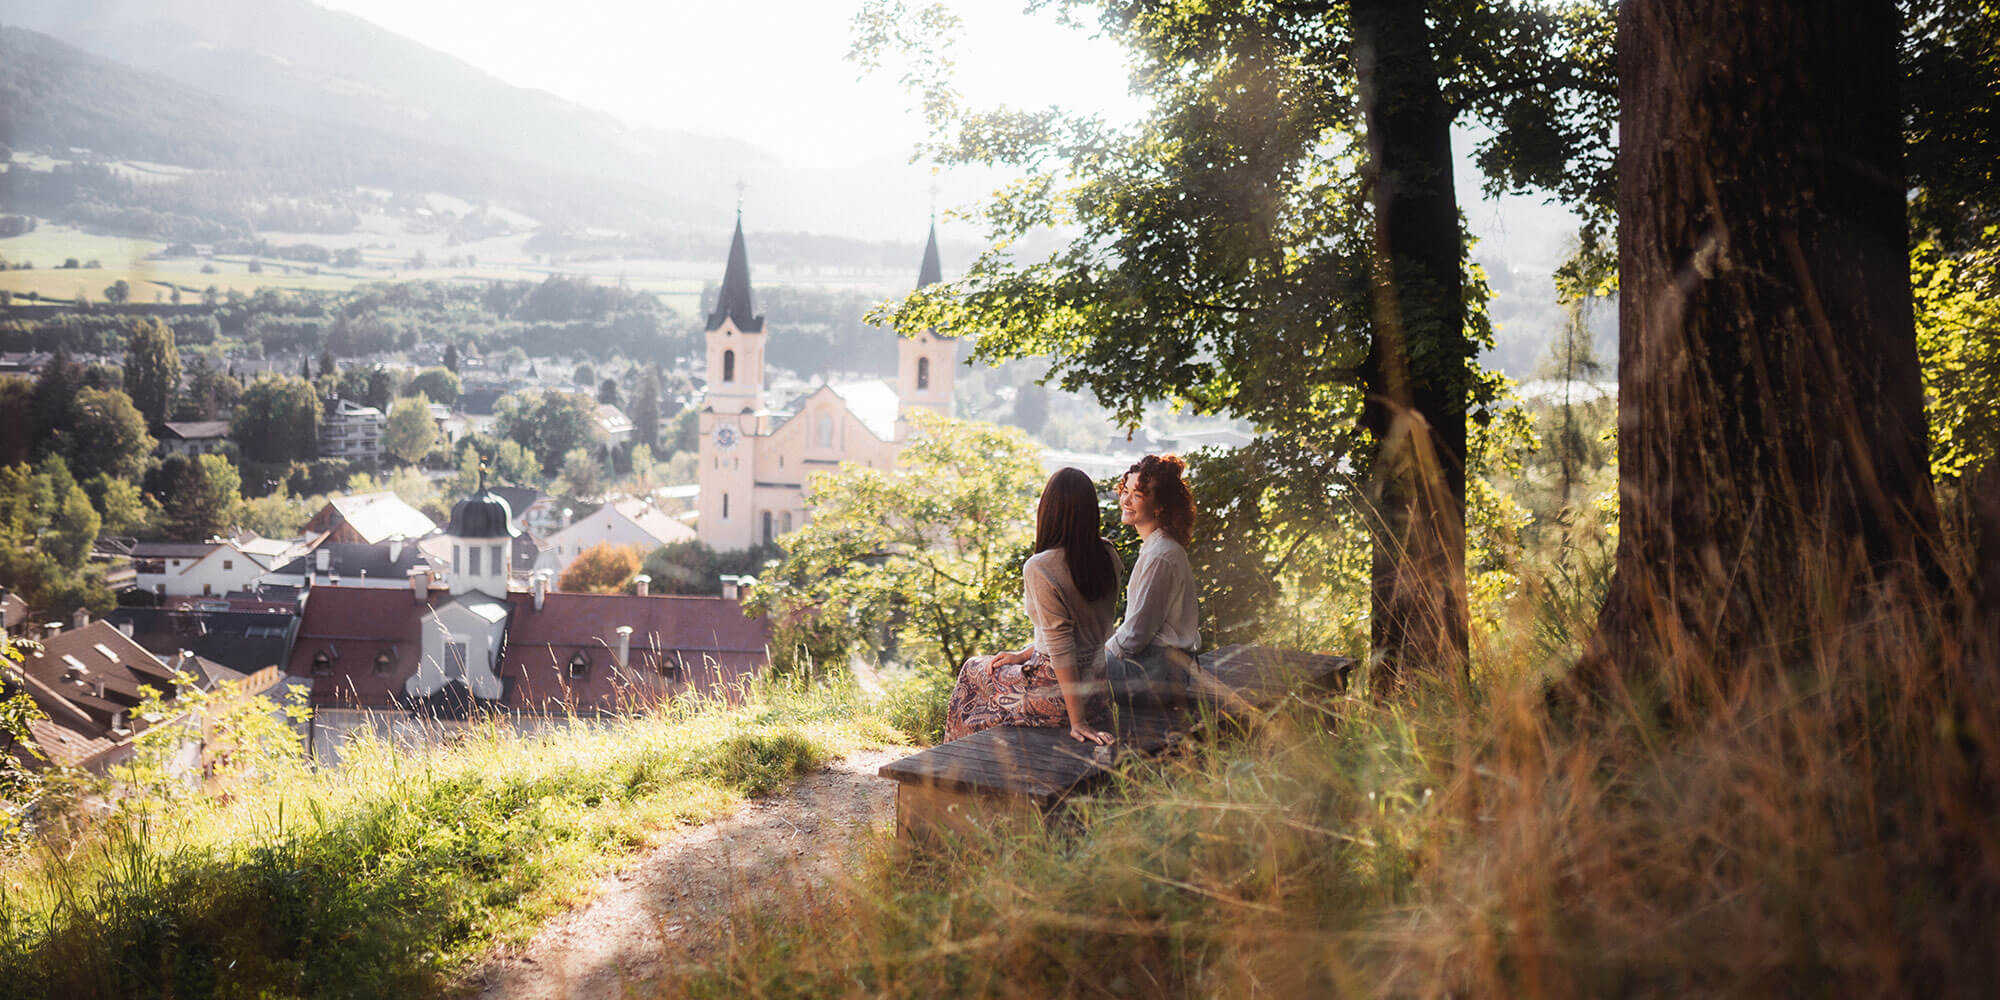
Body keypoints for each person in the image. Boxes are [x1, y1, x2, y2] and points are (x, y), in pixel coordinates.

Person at [945, 467, 1124, 745]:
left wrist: (1077, 722)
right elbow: (1081, 632)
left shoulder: (1041, 567)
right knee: (993, 669)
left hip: (1055, 694)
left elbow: (1063, 648)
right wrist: (1024, 654)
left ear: (1049, 510)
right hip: (1097, 690)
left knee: (972, 670)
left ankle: (953, 767)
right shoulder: (1108, 555)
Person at [1103, 454, 1200, 707]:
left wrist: (1097, 653)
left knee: (1062, 670)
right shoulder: (1159, 546)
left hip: (1157, 673)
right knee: (1064, 663)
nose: (1125, 500)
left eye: (1137, 495)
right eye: (1125, 491)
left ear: (1159, 506)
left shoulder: (1161, 555)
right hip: (1159, 668)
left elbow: (1135, 636)